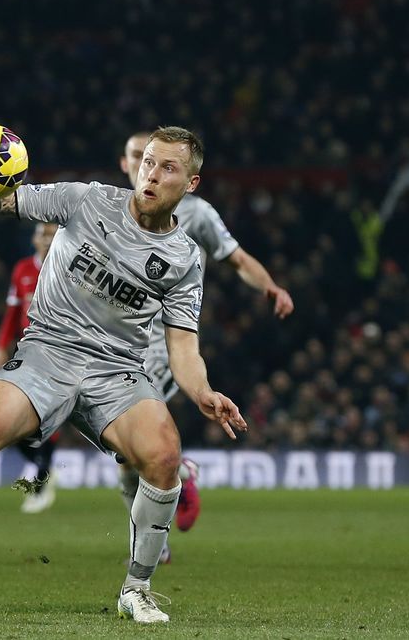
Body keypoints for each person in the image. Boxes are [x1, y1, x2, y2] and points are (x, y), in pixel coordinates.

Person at [0, 126, 248, 625]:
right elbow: (3, 202)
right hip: (48, 352)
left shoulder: (185, 258)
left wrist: (203, 391)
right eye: (148, 162)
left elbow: (183, 347)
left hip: (117, 370)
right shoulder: (88, 200)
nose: (152, 173)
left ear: (191, 184)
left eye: (168, 168)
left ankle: (137, 590)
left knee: (165, 457)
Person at [118, 131, 294, 562]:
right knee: (124, 454)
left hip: (163, 342)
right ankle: (177, 480)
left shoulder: (195, 214)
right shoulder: (109, 210)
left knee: (131, 443)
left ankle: (151, 549)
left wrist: (269, 285)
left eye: (160, 160)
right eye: (141, 158)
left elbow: (235, 256)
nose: (150, 167)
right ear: (127, 165)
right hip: (115, 342)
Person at [0, 222, 60, 513]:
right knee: (5, 416)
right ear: (34, 239)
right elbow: (12, 313)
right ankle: (42, 469)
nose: (46, 239)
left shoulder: (70, 267)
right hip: (26, 353)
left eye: (51, 234)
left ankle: (42, 476)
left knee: (48, 414)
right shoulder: (22, 270)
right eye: (42, 233)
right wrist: (0, 346)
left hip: (59, 354)